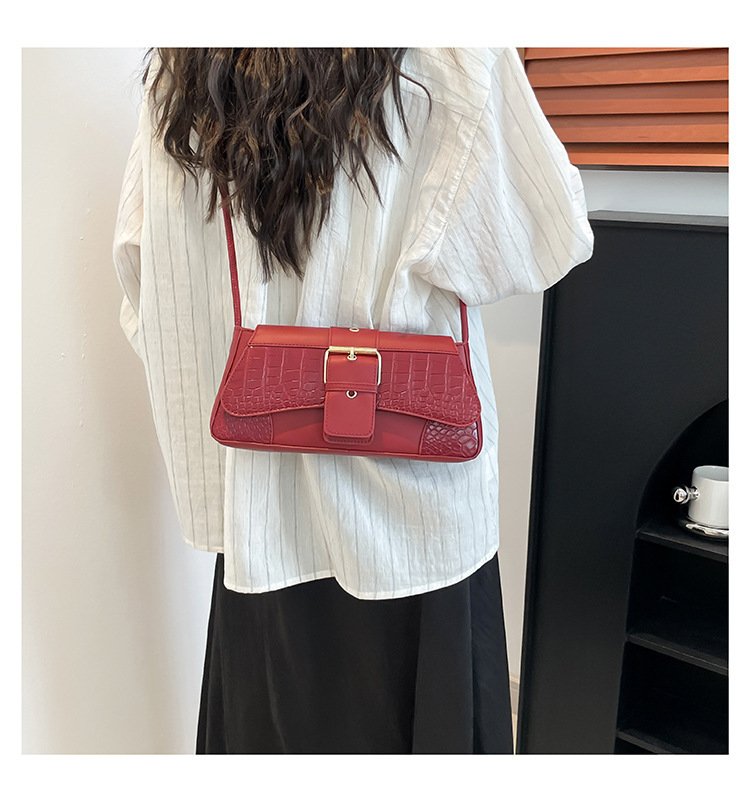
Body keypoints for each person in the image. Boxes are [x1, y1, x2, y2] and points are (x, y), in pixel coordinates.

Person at [112, 47, 594, 754]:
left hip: (259, 501)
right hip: (416, 501)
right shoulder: (452, 51)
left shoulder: (184, 71)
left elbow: (140, 273)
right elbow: (542, 236)